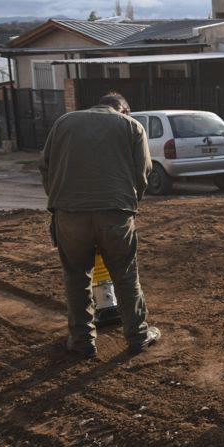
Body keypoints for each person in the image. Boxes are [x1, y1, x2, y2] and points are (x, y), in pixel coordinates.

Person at [39, 92, 160, 358]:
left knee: (77, 277)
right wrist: (129, 204)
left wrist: (59, 201)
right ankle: (138, 337)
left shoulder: (64, 122)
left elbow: (44, 165)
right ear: (123, 110)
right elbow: (144, 172)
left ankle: (82, 342)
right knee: (125, 275)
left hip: (69, 214)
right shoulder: (131, 126)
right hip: (115, 213)